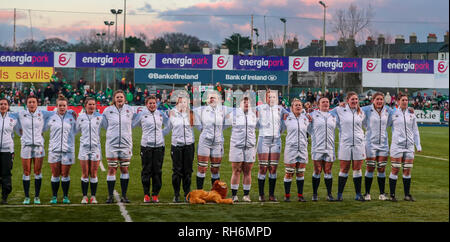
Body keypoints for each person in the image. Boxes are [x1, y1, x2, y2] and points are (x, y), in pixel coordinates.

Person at [14, 96, 58, 205]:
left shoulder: (42, 113)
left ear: (37, 103)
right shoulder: (21, 114)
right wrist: (20, 132)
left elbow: (55, 112)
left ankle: (37, 196)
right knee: (26, 172)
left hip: (39, 146)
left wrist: (71, 111)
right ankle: (27, 197)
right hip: (26, 146)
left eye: (34, 102)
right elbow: (8, 115)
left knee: (38, 172)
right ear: (26, 103)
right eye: (30, 102)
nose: (32, 104)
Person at [101, 90, 138, 203]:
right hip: (112, 144)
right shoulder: (108, 110)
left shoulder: (130, 110)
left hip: (126, 144)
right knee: (112, 169)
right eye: (117, 97)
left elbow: (133, 123)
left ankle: (124, 195)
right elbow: (105, 125)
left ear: (125, 98)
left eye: (121, 97)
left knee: (124, 169)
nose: (119, 99)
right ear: (114, 99)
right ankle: (110, 196)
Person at [330, 91, 366, 201]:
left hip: (359, 143)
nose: (354, 101)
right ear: (347, 100)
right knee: (344, 169)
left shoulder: (361, 112)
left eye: (356, 99)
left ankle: (358, 194)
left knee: (357, 169)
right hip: (345, 143)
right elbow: (327, 112)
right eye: (352, 99)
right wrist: (337, 105)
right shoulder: (340, 110)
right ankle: (339, 195)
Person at [193, 90, 232, 189]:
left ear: (219, 100)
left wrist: (220, 130)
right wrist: (203, 130)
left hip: (218, 142)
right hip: (205, 141)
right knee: (202, 168)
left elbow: (229, 120)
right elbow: (193, 118)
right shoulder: (201, 110)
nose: (212, 99)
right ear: (207, 100)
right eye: (210, 97)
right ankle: (199, 191)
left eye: (214, 97)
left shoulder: (223, 109)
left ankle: (215, 192)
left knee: (215, 169)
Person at [133, 95, 169, 203]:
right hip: (146, 147)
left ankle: (155, 194)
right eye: (150, 103)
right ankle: (146, 194)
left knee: (157, 171)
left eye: (154, 103)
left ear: (156, 104)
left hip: (159, 146)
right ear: (146, 104)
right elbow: (132, 125)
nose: (152, 105)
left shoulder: (161, 114)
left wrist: (161, 134)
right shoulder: (141, 114)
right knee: (146, 170)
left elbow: (169, 124)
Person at [256, 89, 289, 202]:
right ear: (266, 98)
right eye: (269, 97)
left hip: (276, 141)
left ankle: (271, 194)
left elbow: (290, 116)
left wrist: (281, 131)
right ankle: (261, 194)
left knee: (273, 168)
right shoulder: (259, 108)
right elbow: (247, 114)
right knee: (263, 167)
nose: (271, 99)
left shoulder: (280, 108)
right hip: (263, 140)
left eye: (273, 97)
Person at [388, 93, 421, 202]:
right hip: (397, 146)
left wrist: (418, 144)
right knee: (395, 169)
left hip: (410, 146)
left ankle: (407, 195)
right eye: (403, 100)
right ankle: (392, 195)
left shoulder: (411, 114)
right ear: (398, 101)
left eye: (406, 100)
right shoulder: (393, 113)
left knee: (407, 170)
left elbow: (415, 130)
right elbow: (385, 125)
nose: (405, 102)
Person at [45, 95, 77, 204]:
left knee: (65, 174)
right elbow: (42, 127)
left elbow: (77, 130)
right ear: (56, 106)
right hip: (54, 149)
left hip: (68, 150)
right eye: (60, 105)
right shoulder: (51, 117)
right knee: (55, 174)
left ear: (67, 106)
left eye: (64, 106)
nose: (62, 107)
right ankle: (54, 196)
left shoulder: (72, 117)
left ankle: (65, 196)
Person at [361, 92, 392, 201]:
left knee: (381, 168)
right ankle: (367, 194)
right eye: (377, 99)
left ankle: (382, 194)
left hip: (383, 143)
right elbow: (354, 109)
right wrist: (343, 105)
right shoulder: (366, 109)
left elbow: (396, 116)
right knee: (370, 168)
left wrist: (409, 110)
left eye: (381, 99)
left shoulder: (388, 110)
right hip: (370, 143)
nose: (379, 101)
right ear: (373, 100)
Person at [227, 95, 257, 202]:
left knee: (247, 171)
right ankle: (234, 195)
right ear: (239, 104)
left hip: (250, 146)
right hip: (236, 146)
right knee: (236, 170)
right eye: (244, 102)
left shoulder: (253, 115)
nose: (246, 103)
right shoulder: (233, 115)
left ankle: (246, 195)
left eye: (248, 102)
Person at [167, 92, 195, 202]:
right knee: (177, 171)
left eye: (185, 101)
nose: (183, 103)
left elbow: (199, 126)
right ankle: (176, 194)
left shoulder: (191, 113)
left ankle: (187, 194)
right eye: (181, 101)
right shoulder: (172, 112)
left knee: (188, 171)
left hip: (189, 145)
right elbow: (168, 128)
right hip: (177, 146)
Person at [308, 96, 337, 201]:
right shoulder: (312, 115)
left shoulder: (333, 116)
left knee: (328, 171)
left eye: (327, 102)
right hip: (317, 147)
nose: (325, 103)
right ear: (318, 104)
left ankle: (329, 194)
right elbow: (307, 127)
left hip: (329, 147)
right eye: (323, 102)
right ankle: (314, 194)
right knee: (317, 170)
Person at [281, 98, 310, 202]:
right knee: (289, 172)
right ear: (291, 108)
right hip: (291, 148)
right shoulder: (287, 118)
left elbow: (310, 131)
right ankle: (287, 196)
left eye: (299, 105)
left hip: (302, 148)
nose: (298, 107)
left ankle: (300, 196)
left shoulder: (305, 118)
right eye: (296, 105)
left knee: (300, 173)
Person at [76, 97, 103, 204]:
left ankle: (93, 196)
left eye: (93, 104)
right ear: (85, 106)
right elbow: (75, 130)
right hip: (84, 148)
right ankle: (84, 197)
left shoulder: (100, 117)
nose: (92, 106)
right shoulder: (80, 117)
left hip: (96, 148)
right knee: (85, 173)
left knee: (94, 173)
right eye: (89, 104)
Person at [0, 98, 18, 204]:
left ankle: (4, 197)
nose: (2, 106)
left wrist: (12, 151)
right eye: (1, 104)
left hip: (7, 151)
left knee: (6, 174)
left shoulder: (13, 118)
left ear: (8, 106)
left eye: (5, 104)